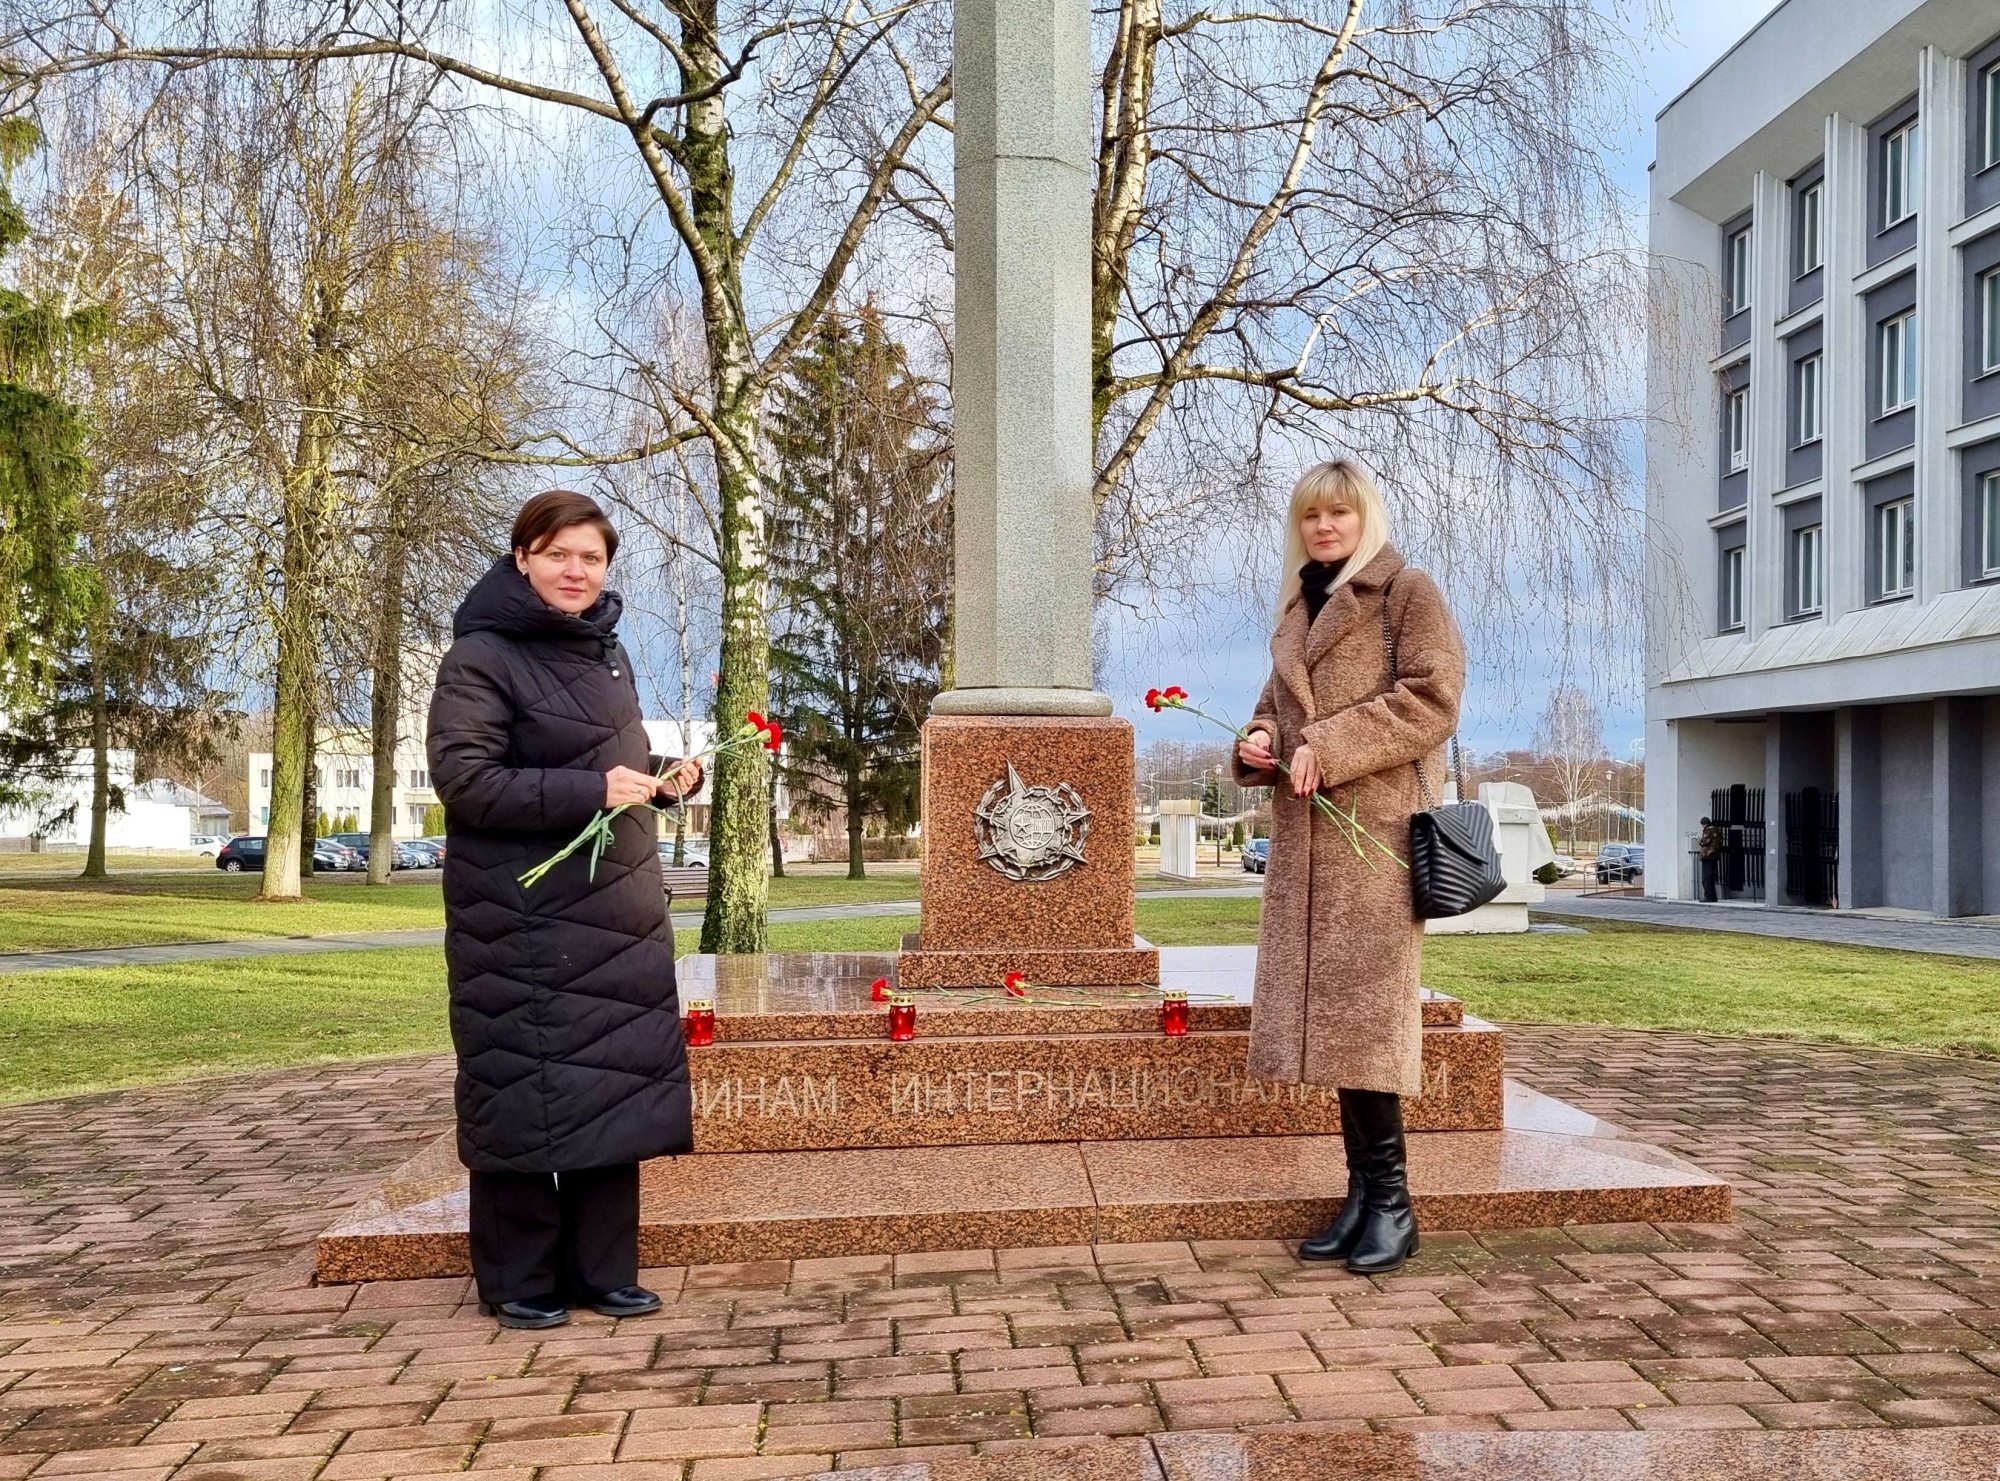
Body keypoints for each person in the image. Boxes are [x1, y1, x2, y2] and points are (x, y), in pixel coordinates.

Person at [428, 489, 704, 1330]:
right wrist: (592, 788)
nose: (576, 571)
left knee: (611, 1089)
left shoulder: (605, 651)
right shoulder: (480, 657)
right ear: (523, 558)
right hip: (521, 919)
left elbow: (600, 755)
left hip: (616, 918)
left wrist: (661, 776)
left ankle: (602, 1270)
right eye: (558, 554)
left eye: (591, 557)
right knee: (522, 1092)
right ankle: (519, 1277)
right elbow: (468, 782)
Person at [1233, 460, 1465, 1276]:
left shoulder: (1406, 591)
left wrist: (1326, 746)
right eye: (1312, 515)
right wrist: (1261, 740)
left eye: (1339, 513)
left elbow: (1433, 698)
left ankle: (1394, 1205)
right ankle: (1363, 1196)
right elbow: (1276, 707)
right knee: (1337, 1028)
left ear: (1367, 518)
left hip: (1374, 845)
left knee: (1367, 1024)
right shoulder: (1300, 608)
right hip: (1308, 850)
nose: (1324, 526)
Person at [1697, 816, 1724, 902]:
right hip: (1715, 855)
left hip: (1707, 855)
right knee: (1711, 876)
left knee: (1706, 878)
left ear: (1704, 824)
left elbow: (1704, 841)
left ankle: (1709, 897)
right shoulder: (1718, 830)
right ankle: (1713, 897)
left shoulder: (1709, 830)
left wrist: (1699, 840)